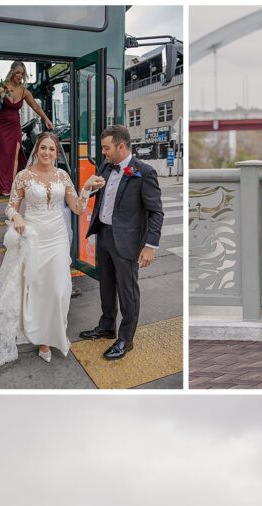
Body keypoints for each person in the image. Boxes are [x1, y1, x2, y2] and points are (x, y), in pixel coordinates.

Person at [0, 133, 103, 365]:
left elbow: (77, 208)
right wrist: (16, 216)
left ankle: (57, 330)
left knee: (60, 289)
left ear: (57, 153)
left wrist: (86, 187)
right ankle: (44, 339)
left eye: (52, 149)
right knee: (38, 290)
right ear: (37, 149)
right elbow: (9, 207)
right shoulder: (23, 177)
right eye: (43, 148)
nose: (47, 153)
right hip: (34, 237)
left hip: (57, 238)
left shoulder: (63, 176)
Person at [79, 125, 164, 360]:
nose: (103, 152)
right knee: (106, 286)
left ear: (121, 146)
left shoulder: (144, 172)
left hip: (127, 241)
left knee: (128, 292)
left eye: (106, 148)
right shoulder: (106, 166)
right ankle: (107, 326)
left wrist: (150, 246)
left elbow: (156, 212)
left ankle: (126, 339)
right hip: (104, 235)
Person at [0, 60, 53, 196]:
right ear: (12, 72)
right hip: (1, 126)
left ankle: (11, 186)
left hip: (15, 127)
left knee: (14, 155)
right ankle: (1, 186)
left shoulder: (24, 91)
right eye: (18, 72)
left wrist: (46, 119)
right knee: (2, 156)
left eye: (22, 73)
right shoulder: (1, 86)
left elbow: (36, 107)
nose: (20, 75)